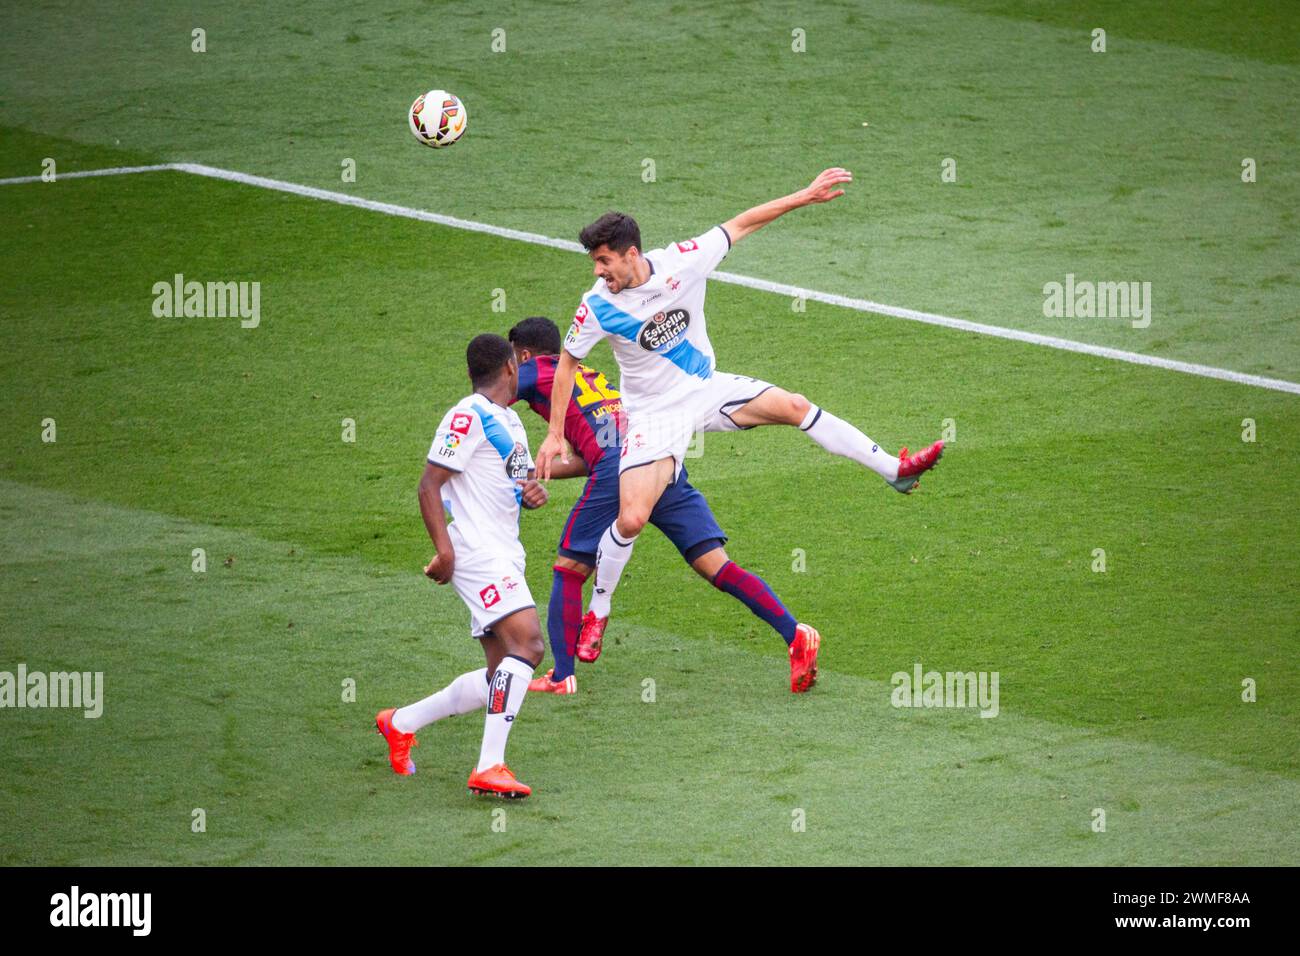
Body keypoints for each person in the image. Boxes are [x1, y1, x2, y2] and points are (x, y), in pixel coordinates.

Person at [534, 168, 944, 661]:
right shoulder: (596, 306)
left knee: (794, 405)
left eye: (604, 261)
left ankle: (894, 471)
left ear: (632, 255)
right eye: (595, 263)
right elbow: (567, 364)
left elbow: (743, 223)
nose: (599, 272)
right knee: (633, 517)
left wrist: (806, 196)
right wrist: (555, 433)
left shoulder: (683, 261)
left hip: (705, 388)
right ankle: (599, 609)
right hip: (652, 416)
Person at [508, 316, 822, 693]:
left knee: (569, 569)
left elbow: (492, 393)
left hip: (618, 469)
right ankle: (796, 635)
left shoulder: (537, 370)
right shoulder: (590, 376)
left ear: (524, 354)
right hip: (656, 456)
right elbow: (588, 455)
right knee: (715, 565)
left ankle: (561, 675)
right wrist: (528, 470)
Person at [375, 334, 549, 799]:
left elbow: (519, 487)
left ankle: (401, 722)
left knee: (500, 674)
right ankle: (490, 766)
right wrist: (445, 551)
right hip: (476, 551)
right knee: (529, 646)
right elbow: (428, 485)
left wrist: (533, 493)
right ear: (511, 367)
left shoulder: (511, 421)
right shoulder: (467, 414)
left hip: (504, 550)